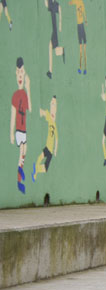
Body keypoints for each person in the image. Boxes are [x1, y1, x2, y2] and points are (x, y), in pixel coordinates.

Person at [10, 57, 31, 193]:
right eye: (18, 72)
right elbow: (13, 116)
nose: (19, 75)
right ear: (15, 73)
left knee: (25, 150)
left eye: (21, 72)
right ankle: (19, 178)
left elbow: (30, 108)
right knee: (21, 151)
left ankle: (20, 170)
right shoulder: (15, 96)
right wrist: (11, 133)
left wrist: (28, 88)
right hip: (18, 130)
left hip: (24, 130)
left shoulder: (24, 94)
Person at [32, 96, 59, 181]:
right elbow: (42, 112)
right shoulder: (49, 116)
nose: (53, 106)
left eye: (54, 104)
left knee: (45, 168)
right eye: (52, 104)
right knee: (39, 158)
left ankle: (36, 170)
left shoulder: (55, 125)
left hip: (50, 152)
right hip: (47, 148)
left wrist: (55, 150)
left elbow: (57, 139)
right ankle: (35, 170)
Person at [45, 0, 65, 79]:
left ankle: (50, 71)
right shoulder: (50, 3)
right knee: (52, 48)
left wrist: (60, 24)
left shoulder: (56, 4)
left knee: (54, 49)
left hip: (55, 30)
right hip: (53, 29)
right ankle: (50, 71)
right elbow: (46, 5)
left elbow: (60, 11)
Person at [69, 0, 87, 75]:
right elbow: (70, 2)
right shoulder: (77, 1)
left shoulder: (81, 3)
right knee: (81, 49)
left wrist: (85, 20)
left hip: (81, 26)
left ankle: (84, 68)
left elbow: (84, 13)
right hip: (79, 26)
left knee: (84, 49)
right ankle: (80, 68)